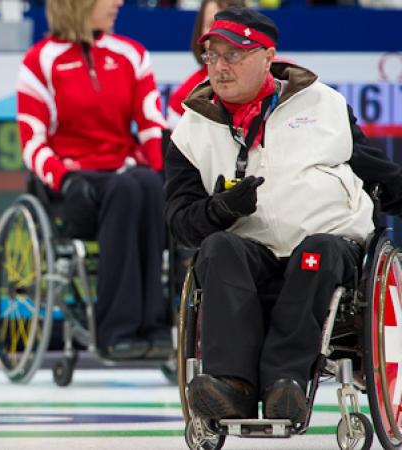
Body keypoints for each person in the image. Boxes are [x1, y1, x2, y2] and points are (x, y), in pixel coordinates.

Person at [165, 7, 402, 424]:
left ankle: (285, 384)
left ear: (268, 56)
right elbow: (181, 221)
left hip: (326, 251)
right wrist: (217, 210)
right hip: (250, 257)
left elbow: (376, 172)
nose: (220, 67)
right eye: (212, 55)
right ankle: (230, 386)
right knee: (218, 248)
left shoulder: (324, 104)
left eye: (233, 55)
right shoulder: (190, 130)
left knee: (319, 251)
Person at [16, 0, 170, 360]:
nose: (118, 3)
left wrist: (165, 173)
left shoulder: (132, 54)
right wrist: (65, 177)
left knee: (147, 184)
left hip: (123, 172)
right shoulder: (41, 61)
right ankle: (117, 329)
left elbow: (150, 125)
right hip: (74, 185)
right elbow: (32, 142)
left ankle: (154, 325)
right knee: (128, 189)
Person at [166, 0, 245, 130]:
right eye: (212, 24)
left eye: (228, 24)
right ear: (200, 32)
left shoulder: (275, 79)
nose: (220, 34)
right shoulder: (184, 99)